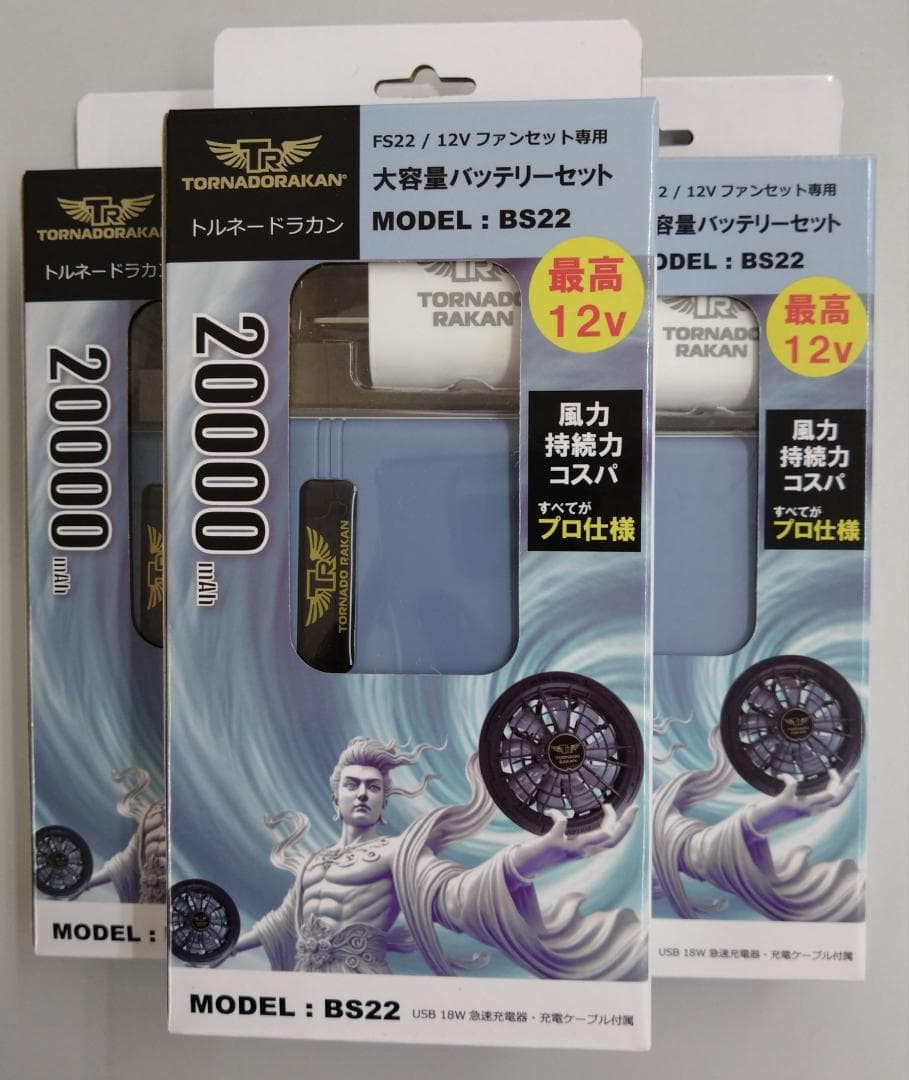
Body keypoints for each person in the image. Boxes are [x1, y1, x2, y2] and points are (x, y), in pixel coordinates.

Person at [231, 736, 645, 979]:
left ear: (384, 802)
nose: (362, 794)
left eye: (373, 788)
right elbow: (282, 922)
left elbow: (456, 895)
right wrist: (226, 946)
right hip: (305, 985)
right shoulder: (313, 862)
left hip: (364, 985)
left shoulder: (398, 853)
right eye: (352, 785)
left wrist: (530, 858)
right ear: (334, 799)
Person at [653, 727, 863, 921]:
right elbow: (695, 852)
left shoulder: (656, 812)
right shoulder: (652, 813)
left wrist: (756, 820)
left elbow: (695, 851)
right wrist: (758, 820)